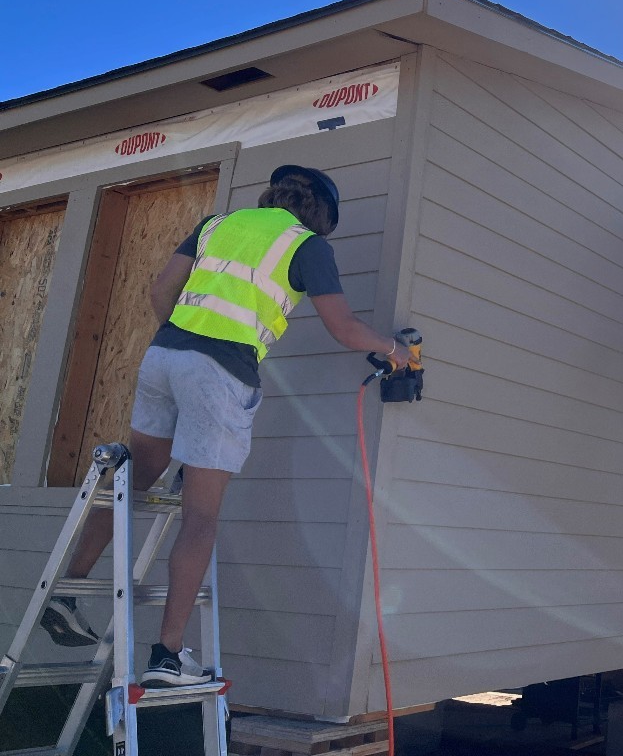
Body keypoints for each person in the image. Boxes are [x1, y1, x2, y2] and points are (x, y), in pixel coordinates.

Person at [40, 165, 411, 687]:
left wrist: (182, 339)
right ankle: (167, 657)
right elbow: (344, 328)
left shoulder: (219, 224)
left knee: (137, 476)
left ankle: (69, 589)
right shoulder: (306, 246)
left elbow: (160, 289)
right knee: (200, 516)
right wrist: (398, 352)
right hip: (220, 374)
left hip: (164, 356)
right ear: (320, 214)